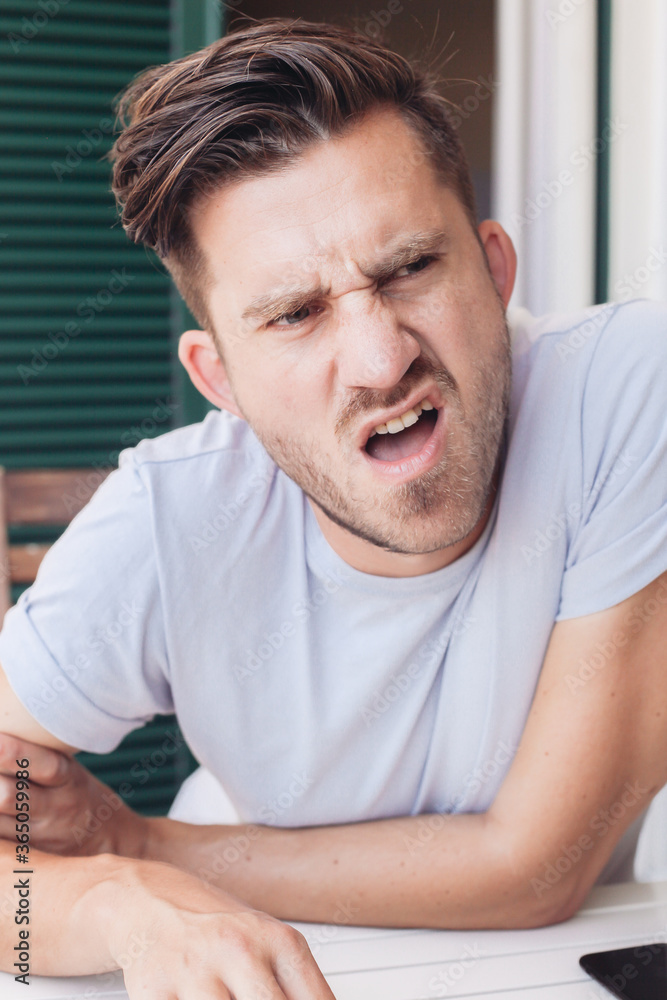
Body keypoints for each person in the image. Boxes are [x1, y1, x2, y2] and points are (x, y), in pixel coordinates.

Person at [1, 16, 666, 1000]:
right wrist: (114, 902)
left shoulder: (625, 390)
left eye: (408, 269)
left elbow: (537, 865)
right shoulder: (165, 513)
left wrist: (143, 842)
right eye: (296, 313)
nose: (380, 359)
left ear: (493, 268)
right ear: (218, 376)